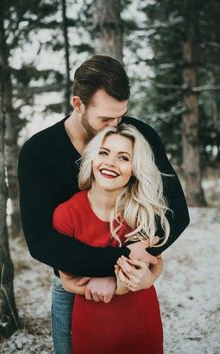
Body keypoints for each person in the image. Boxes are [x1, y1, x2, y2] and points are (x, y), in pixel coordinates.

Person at [18, 55, 189, 354]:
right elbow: (41, 241)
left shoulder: (138, 136)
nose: (116, 125)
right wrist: (118, 262)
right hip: (75, 285)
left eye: (120, 116)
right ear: (78, 104)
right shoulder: (38, 152)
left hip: (135, 280)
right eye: (106, 119)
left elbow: (175, 210)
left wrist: (143, 262)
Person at [53, 123, 169, 354]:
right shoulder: (66, 214)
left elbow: (157, 261)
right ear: (93, 159)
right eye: (104, 153)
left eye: (123, 158)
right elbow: (67, 281)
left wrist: (148, 279)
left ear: (135, 169)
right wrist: (119, 286)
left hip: (141, 325)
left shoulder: (142, 211)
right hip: (93, 330)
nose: (110, 163)